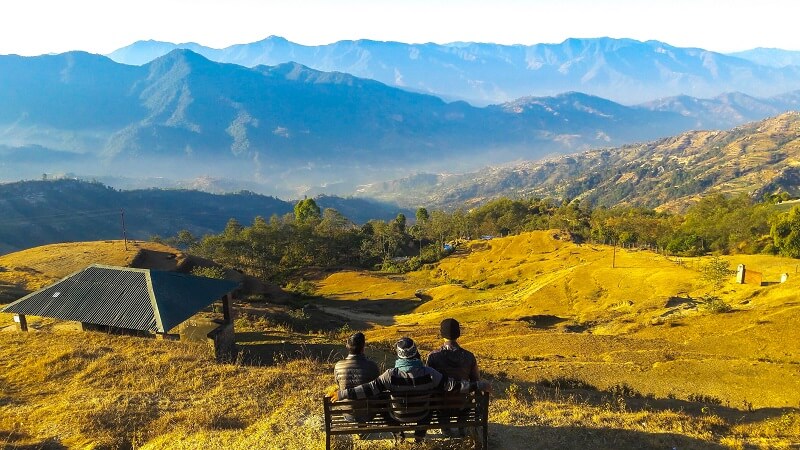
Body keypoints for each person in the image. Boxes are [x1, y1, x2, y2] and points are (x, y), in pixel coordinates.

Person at [333, 336, 490, 443]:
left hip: (398, 416)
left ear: (399, 356)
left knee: (384, 404)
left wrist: (342, 393)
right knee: (430, 409)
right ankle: (419, 437)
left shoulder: (389, 375)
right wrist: (479, 385)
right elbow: (453, 386)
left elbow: (367, 389)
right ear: (416, 352)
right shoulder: (430, 373)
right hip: (422, 415)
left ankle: (399, 435)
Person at [426, 318, 480, 437]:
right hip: (462, 404)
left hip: (441, 405)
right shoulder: (469, 356)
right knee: (466, 397)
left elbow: (429, 383)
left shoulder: (433, 357)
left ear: (442, 333)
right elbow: (476, 381)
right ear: (458, 334)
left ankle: (445, 428)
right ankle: (461, 425)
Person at [333, 332, 380, 422]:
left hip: (348, 413)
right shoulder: (372, 366)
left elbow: (338, 384)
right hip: (368, 413)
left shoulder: (338, 366)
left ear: (347, 346)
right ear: (363, 347)